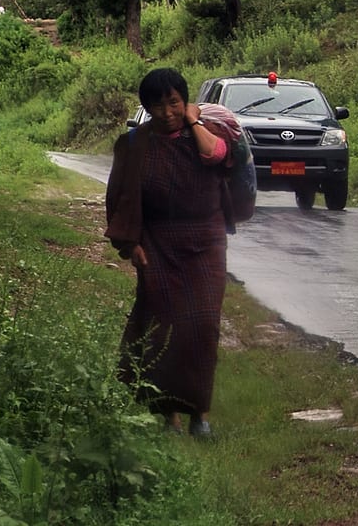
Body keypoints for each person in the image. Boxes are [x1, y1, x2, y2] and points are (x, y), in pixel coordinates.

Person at [105, 67, 231, 438]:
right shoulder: (132, 146)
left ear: (185, 101)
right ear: (146, 108)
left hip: (206, 242)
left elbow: (215, 156)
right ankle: (169, 415)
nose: (167, 112)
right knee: (161, 328)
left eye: (174, 102)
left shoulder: (207, 134)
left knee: (204, 326)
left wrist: (193, 123)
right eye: (157, 105)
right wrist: (131, 244)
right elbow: (118, 199)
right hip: (157, 244)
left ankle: (200, 415)